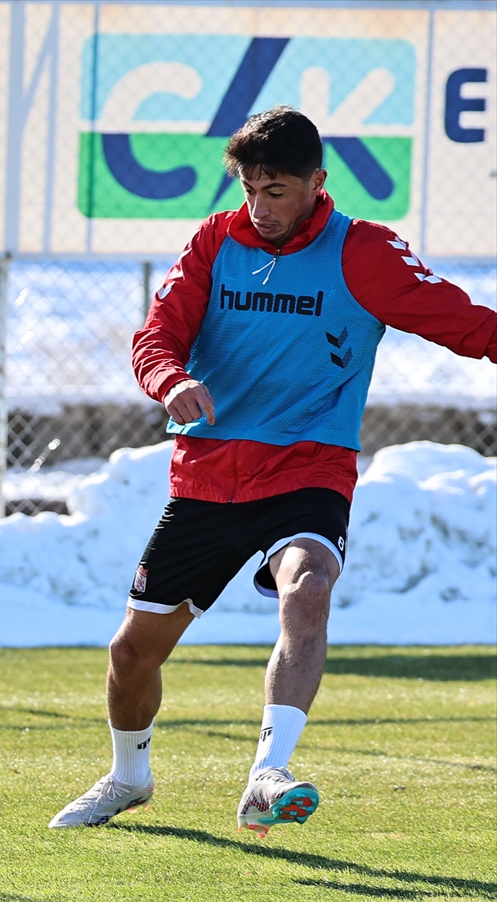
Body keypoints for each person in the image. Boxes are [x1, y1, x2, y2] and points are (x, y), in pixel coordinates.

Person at [49, 107, 497, 837]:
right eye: (250, 188)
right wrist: (169, 381)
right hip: (208, 476)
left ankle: (267, 774)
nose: (261, 206)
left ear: (318, 183)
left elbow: (472, 326)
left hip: (307, 469)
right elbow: (156, 336)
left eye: (278, 190)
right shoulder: (213, 241)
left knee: (310, 585)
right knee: (131, 653)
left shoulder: (367, 254)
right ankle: (129, 777)